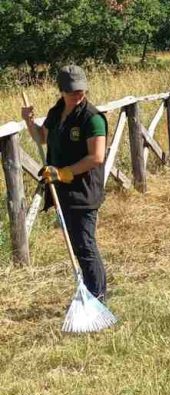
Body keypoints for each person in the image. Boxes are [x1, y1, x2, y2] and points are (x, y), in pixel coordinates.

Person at [21, 65, 109, 302]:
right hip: (61, 191)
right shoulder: (56, 112)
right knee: (78, 245)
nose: (77, 94)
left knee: (85, 246)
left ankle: (98, 299)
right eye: (71, 90)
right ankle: (91, 294)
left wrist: (63, 173)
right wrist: (29, 122)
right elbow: (42, 138)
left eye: (80, 89)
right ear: (61, 90)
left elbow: (96, 157)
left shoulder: (92, 118)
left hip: (83, 191)